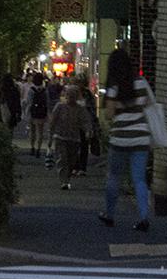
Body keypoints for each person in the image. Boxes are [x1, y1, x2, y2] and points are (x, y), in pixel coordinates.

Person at [98, 47, 153, 232]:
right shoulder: (141, 82)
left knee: (114, 177)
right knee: (139, 179)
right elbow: (147, 104)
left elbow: (108, 114)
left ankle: (109, 214)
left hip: (120, 138)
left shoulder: (114, 86)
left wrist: (120, 105)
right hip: (141, 136)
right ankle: (144, 216)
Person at [49, 85, 85, 190]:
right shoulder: (59, 106)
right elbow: (53, 121)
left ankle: (67, 177)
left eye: (73, 95)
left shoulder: (80, 109)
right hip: (60, 137)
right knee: (62, 158)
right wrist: (51, 135)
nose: (71, 97)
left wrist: (88, 130)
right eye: (69, 95)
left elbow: (85, 121)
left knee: (71, 160)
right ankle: (64, 180)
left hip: (74, 138)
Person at [26, 72, 49, 157]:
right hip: (41, 114)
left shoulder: (31, 90)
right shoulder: (44, 90)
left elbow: (29, 102)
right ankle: (38, 149)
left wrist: (27, 112)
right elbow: (47, 102)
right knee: (40, 132)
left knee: (32, 131)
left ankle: (32, 148)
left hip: (33, 113)